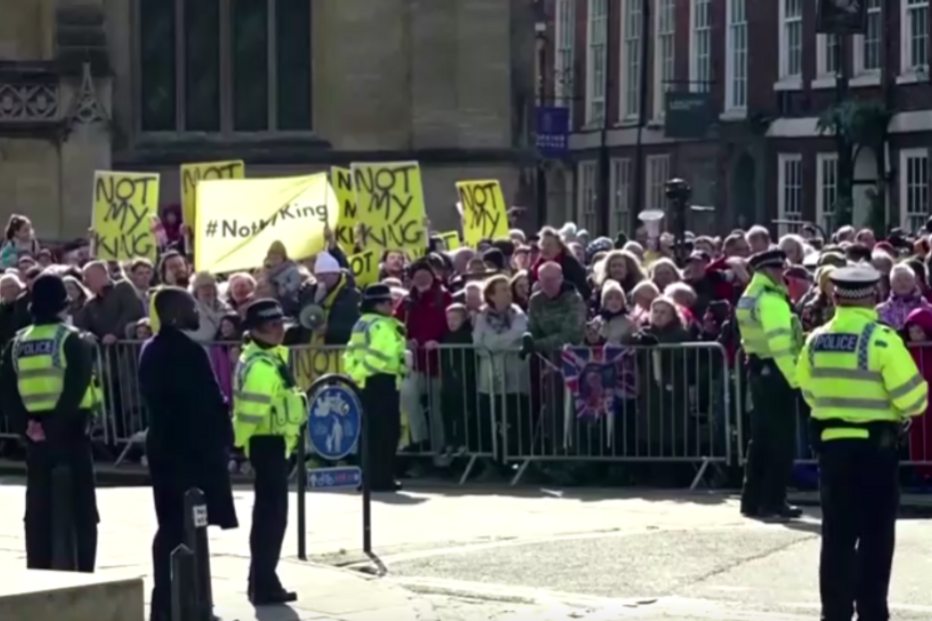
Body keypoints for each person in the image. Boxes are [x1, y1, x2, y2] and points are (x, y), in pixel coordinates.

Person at [797, 266, 928, 621]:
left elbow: (805, 388)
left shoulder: (815, 340)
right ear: (872, 296)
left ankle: (834, 612)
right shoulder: (882, 340)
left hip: (832, 447)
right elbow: (915, 398)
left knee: (836, 536)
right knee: (875, 536)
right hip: (875, 449)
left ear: (836, 296)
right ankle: (871, 611)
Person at [137, 286, 238, 621]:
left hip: (164, 445)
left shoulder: (149, 349)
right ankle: (191, 602)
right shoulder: (190, 352)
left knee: (169, 525)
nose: (197, 313)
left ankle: (165, 602)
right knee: (188, 525)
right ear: (176, 314)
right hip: (191, 450)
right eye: (191, 308)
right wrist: (224, 431)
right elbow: (209, 400)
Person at [0, 273, 101, 572]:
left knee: (38, 512)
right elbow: (76, 389)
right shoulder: (73, 339)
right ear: (63, 305)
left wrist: (26, 428)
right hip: (71, 433)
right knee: (82, 511)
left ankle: (38, 570)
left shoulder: (16, 344)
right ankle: (82, 575)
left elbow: (7, 392)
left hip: (34, 435)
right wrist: (54, 426)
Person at [233, 298, 306, 604]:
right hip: (268, 444)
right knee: (271, 518)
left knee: (270, 517)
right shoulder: (262, 365)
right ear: (257, 330)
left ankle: (262, 579)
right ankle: (263, 583)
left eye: (281, 323)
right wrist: (241, 446)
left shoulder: (269, 357)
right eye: (273, 325)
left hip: (272, 443)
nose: (280, 330)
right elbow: (250, 413)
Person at [735, 248, 803, 521]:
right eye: (777, 269)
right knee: (780, 440)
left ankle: (751, 500)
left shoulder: (748, 297)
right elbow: (780, 345)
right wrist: (796, 380)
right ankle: (773, 502)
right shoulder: (772, 300)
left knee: (760, 438)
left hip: (757, 367)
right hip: (776, 372)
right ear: (766, 271)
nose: (781, 274)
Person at [343, 284, 408, 492]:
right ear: (378, 304)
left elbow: (349, 353)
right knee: (386, 434)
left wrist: (355, 375)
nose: (393, 306)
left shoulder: (361, 323)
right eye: (389, 302)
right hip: (382, 382)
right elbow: (379, 357)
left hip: (364, 383)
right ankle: (382, 480)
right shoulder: (382, 326)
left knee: (369, 434)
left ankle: (367, 478)